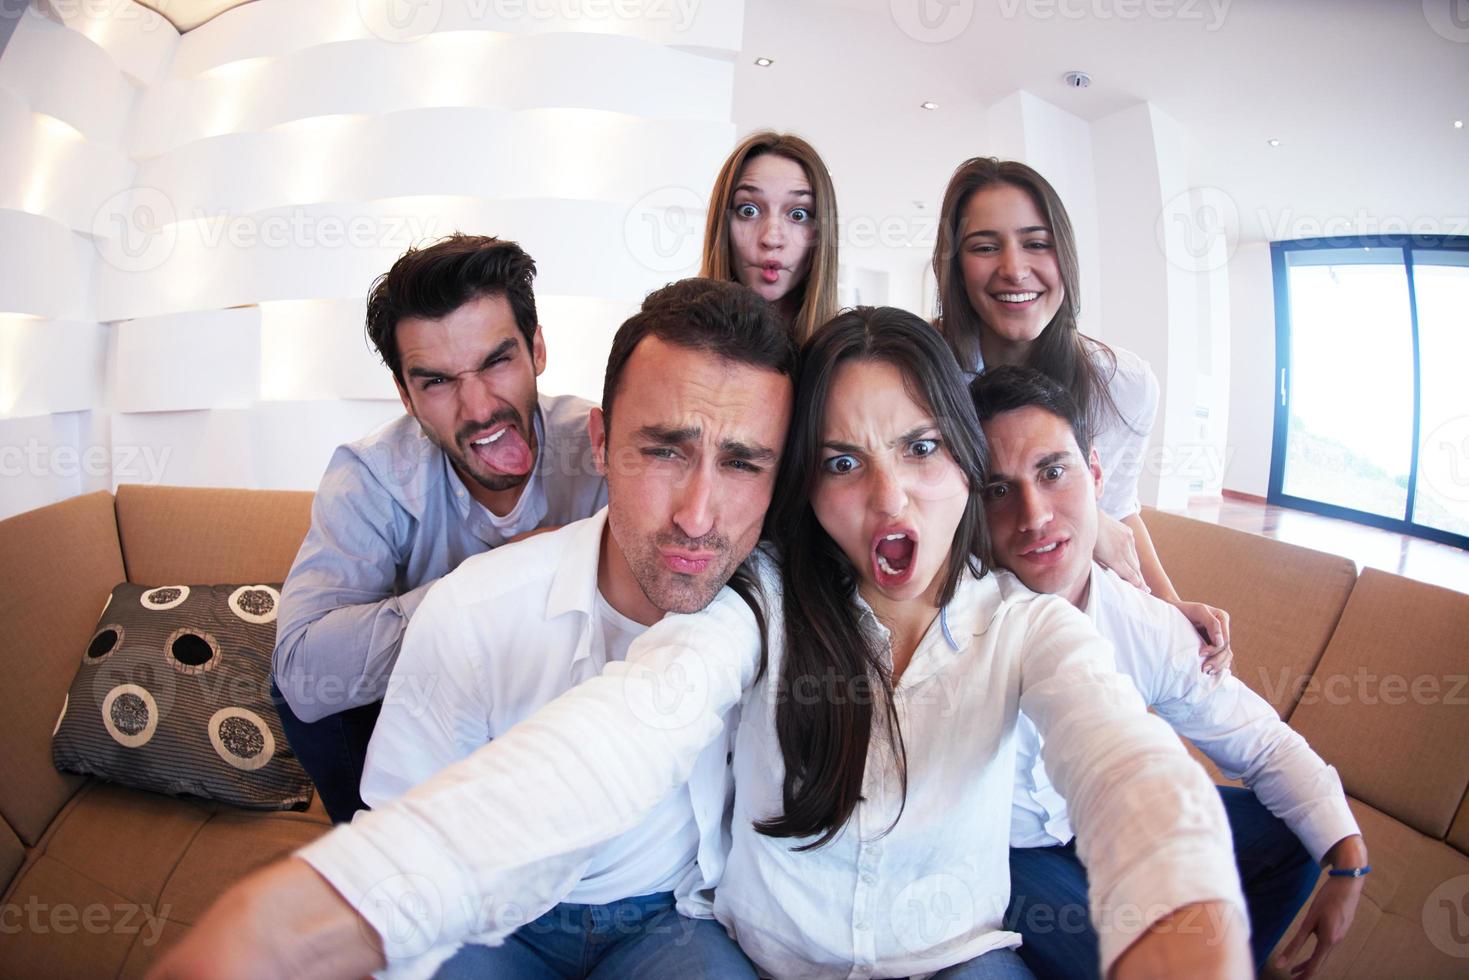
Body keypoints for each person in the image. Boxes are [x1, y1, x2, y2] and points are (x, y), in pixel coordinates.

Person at [151, 309, 1252, 980]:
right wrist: (310, 908)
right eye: (837, 461)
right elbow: (617, 731)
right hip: (598, 926)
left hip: (899, 945)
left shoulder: (1025, 627)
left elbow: (1121, 755)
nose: (886, 495)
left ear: (963, 462)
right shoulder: (752, 606)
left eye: (921, 446)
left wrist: (1181, 908)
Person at [360, 276, 797, 977]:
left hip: (670, 919)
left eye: (741, 463)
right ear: (599, 443)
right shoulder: (472, 611)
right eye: (663, 451)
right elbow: (398, 840)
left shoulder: (787, 618)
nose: (696, 515)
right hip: (492, 920)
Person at [971, 366, 1368, 980]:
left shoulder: (1145, 621)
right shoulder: (948, 618)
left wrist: (1347, 859)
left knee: (1290, 831)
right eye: (999, 490)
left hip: (1109, 819)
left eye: (1054, 472)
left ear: (1096, 474)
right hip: (1013, 852)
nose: (1034, 514)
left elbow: (1261, 742)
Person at [270, 234, 608, 822]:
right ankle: (389, 865)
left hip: (568, 725)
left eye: (497, 362)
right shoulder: (371, 475)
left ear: (537, 350)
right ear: (405, 394)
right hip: (433, 737)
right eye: (437, 381)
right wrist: (491, 582)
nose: (478, 409)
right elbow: (301, 674)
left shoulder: (606, 447)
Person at [931, 157, 1231, 660]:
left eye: (1036, 242)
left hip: (1070, 623)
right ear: (956, 267)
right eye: (985, 247)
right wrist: (1090, 529)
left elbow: (1120, 507)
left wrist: (1168, 605)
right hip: (956, 618)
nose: (1013, 268)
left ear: (1064, 255)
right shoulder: (924, 374)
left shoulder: (1124, 385)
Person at [700, 130, 838, 341]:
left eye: (798, 214)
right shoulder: (673, 347)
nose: (771, 239)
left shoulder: (842, 362)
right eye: (748, 211)